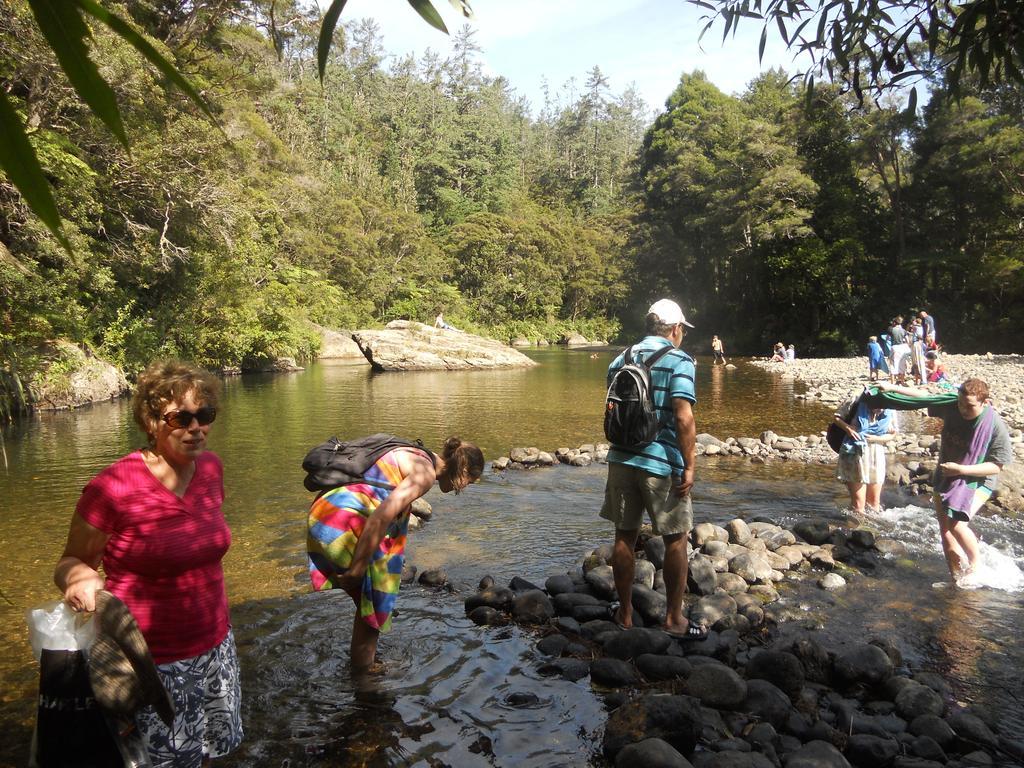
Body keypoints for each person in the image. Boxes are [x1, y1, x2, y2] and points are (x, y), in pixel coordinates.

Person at [54, 360, 242, 767]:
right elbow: (72, 560)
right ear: (151, 421)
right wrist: (80, 580)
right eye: (181, 418)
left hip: (216, 644)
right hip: (151, 659)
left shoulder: (211, 469)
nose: (196, 428)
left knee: (209, 754)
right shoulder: (111, 487)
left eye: (205, 416)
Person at [307, 436, 484, 669]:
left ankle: (365, 663)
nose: (463, 488)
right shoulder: (425, 475)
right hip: (343, 520)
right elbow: (381, 517)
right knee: (371, 610)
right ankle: (365, 680)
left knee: (368, 604)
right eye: (469, 481)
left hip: (325, 511)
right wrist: (357, 569)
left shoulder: (419, 454)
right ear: (462, 471)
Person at [600, 299, 705, 640]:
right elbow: (683, 415)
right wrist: (689, 465)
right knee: (676, 538)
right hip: (661, 463)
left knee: (624, 535)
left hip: (620, 459)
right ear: (675, 329)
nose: (683, 336)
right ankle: (674, 618)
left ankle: (626, 612)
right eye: (682, 331)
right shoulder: (679, 360)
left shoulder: (621, 358)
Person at [877, 379, 1014, 584]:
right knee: (946, 532)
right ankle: (957, 579)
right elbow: (925, 397)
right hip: (946, 477)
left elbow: (997, 466)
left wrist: (961, 469)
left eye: (970, 406)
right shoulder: (952, 405)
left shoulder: (994, 426)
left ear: (985, 402)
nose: (963, 409)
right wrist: (892, 388)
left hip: (978, 480)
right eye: (960, 403)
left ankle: (976, 566)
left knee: (957, 525)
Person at [833, 396, 896, 513]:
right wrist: (848, 429)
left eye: (883, 406)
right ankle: (855, 530)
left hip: (876, 454)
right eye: (877, 405)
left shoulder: (890, 407)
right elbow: (836, 418)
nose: (880, 409)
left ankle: (872, 530)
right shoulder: (856, 399)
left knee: (874, 503)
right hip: (855, 453)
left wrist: (876, 438)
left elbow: (892, 434)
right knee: (858, 504)